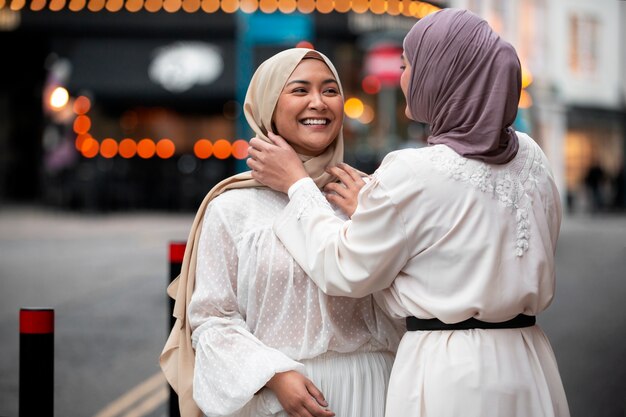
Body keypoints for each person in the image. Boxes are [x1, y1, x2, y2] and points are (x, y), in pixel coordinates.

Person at [247, 9, 571, 417]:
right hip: (529, 360)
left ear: (440, 75)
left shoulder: (413, 171)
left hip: (451, 371)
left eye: (407, 65)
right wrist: (379, 206)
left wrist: (296, 185)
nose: (402, 79)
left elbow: (345, 269)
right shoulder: (532, 157)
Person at [160, 48, 404, 417]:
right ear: (269, 105)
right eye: (300, 90)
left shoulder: (368, 192)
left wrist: (370, 218)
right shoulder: (232, 207)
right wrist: (273, 374)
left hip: (373, 391)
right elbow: (212, 319)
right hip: (278, 398)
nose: (318, 103)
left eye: (330, 90)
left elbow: (410, 298)